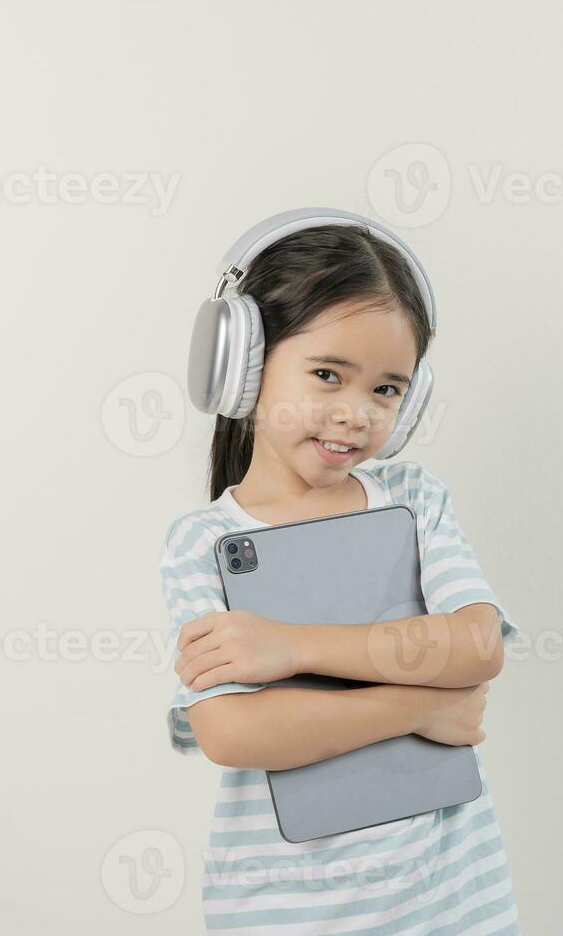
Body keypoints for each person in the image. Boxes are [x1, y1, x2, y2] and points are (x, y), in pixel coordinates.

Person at [160, 219, 521, 933]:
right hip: (291, 913)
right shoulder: (203, 544)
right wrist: (418, 708)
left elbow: (477, 646)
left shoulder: (415, 502)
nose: (356, 414)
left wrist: (291, 648)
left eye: (387, 389)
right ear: (244, 364)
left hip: (454, 900)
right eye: (327, 375)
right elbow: (233, 731)